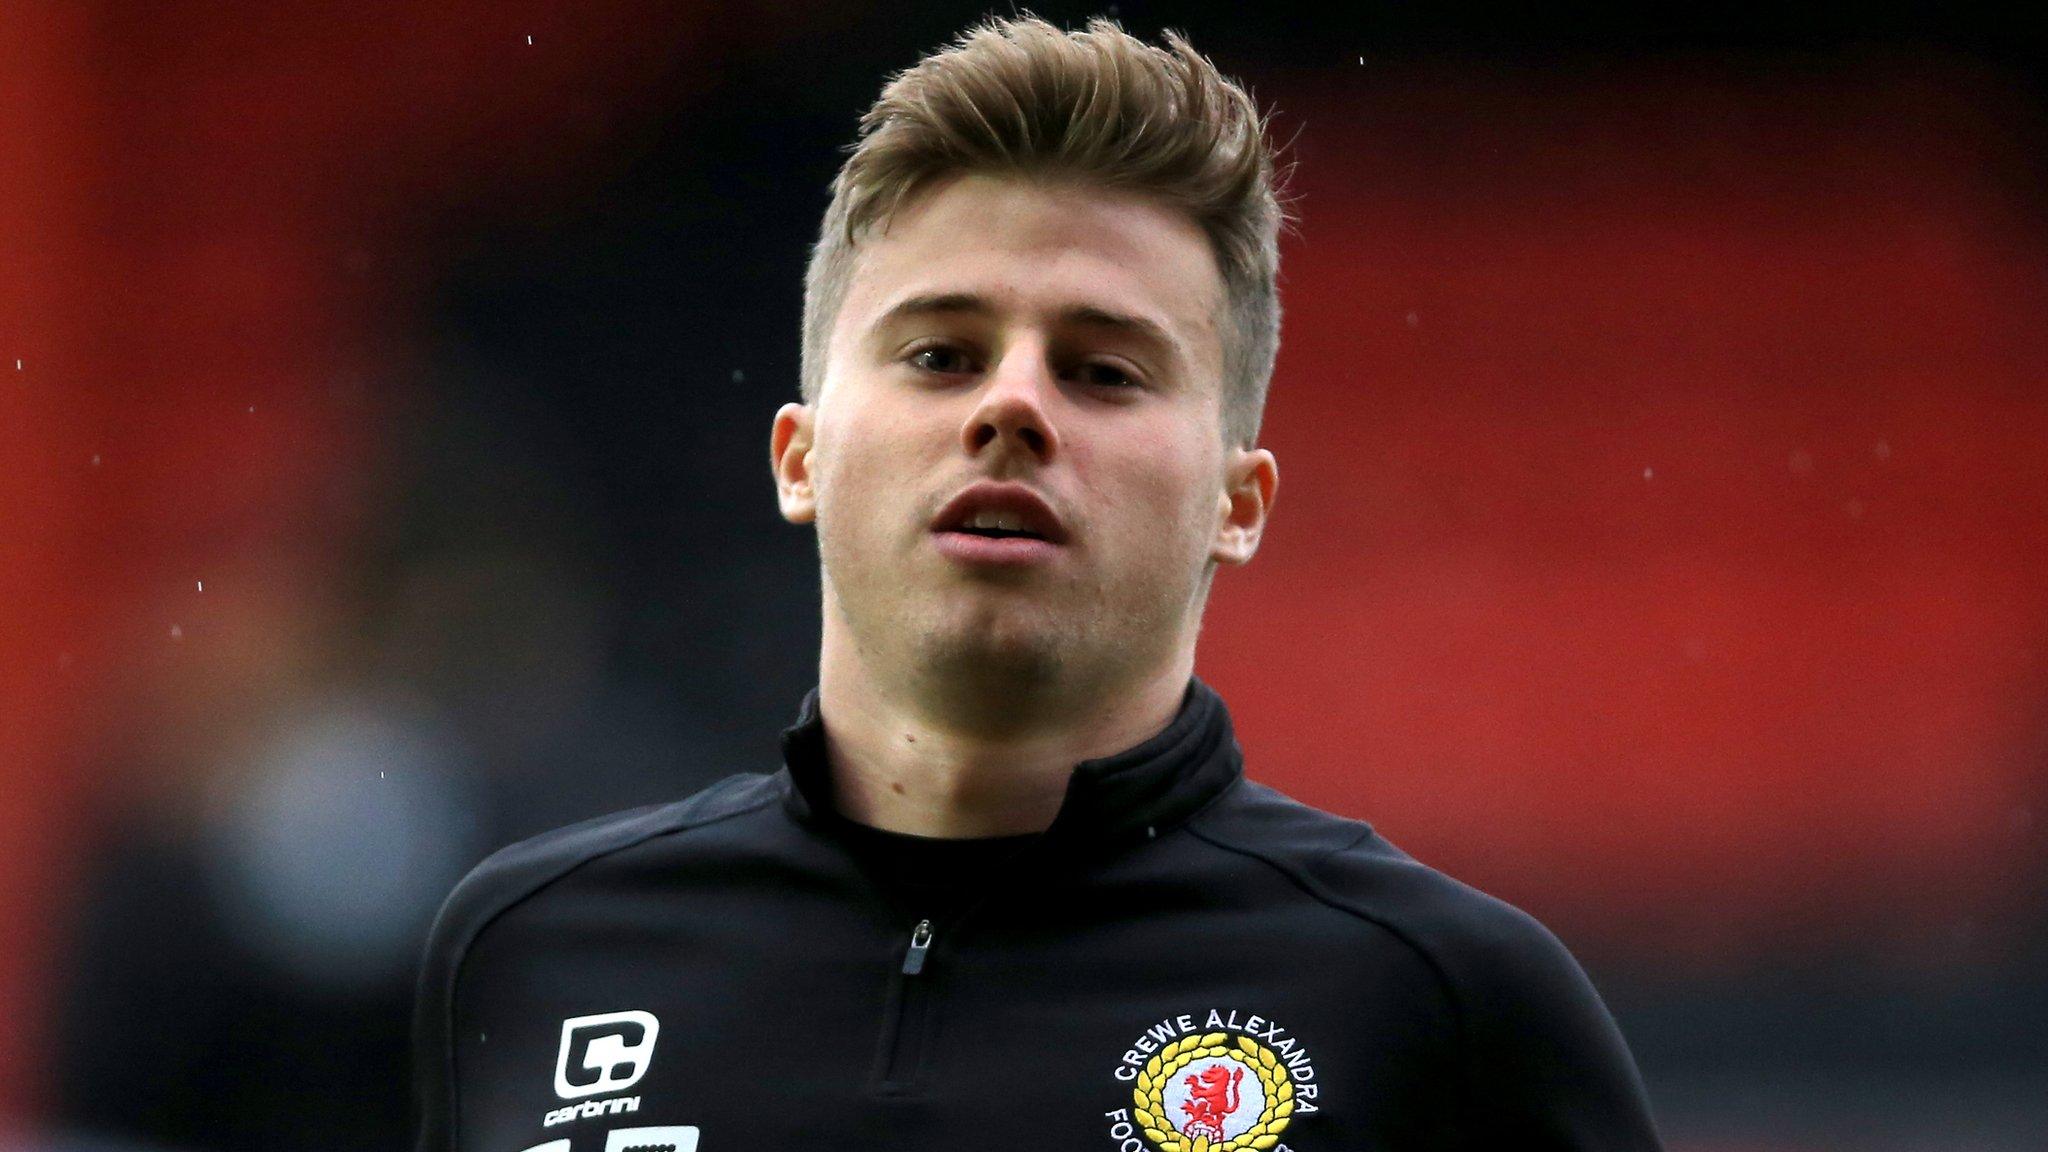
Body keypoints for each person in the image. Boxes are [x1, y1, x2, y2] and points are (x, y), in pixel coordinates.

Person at [411, 14, 1665, 1151]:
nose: (1011, 404)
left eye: (1104, 370)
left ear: (1237, 505)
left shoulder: (1439, 1002)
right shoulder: (527, 950)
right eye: (942, 353)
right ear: (799, 457)